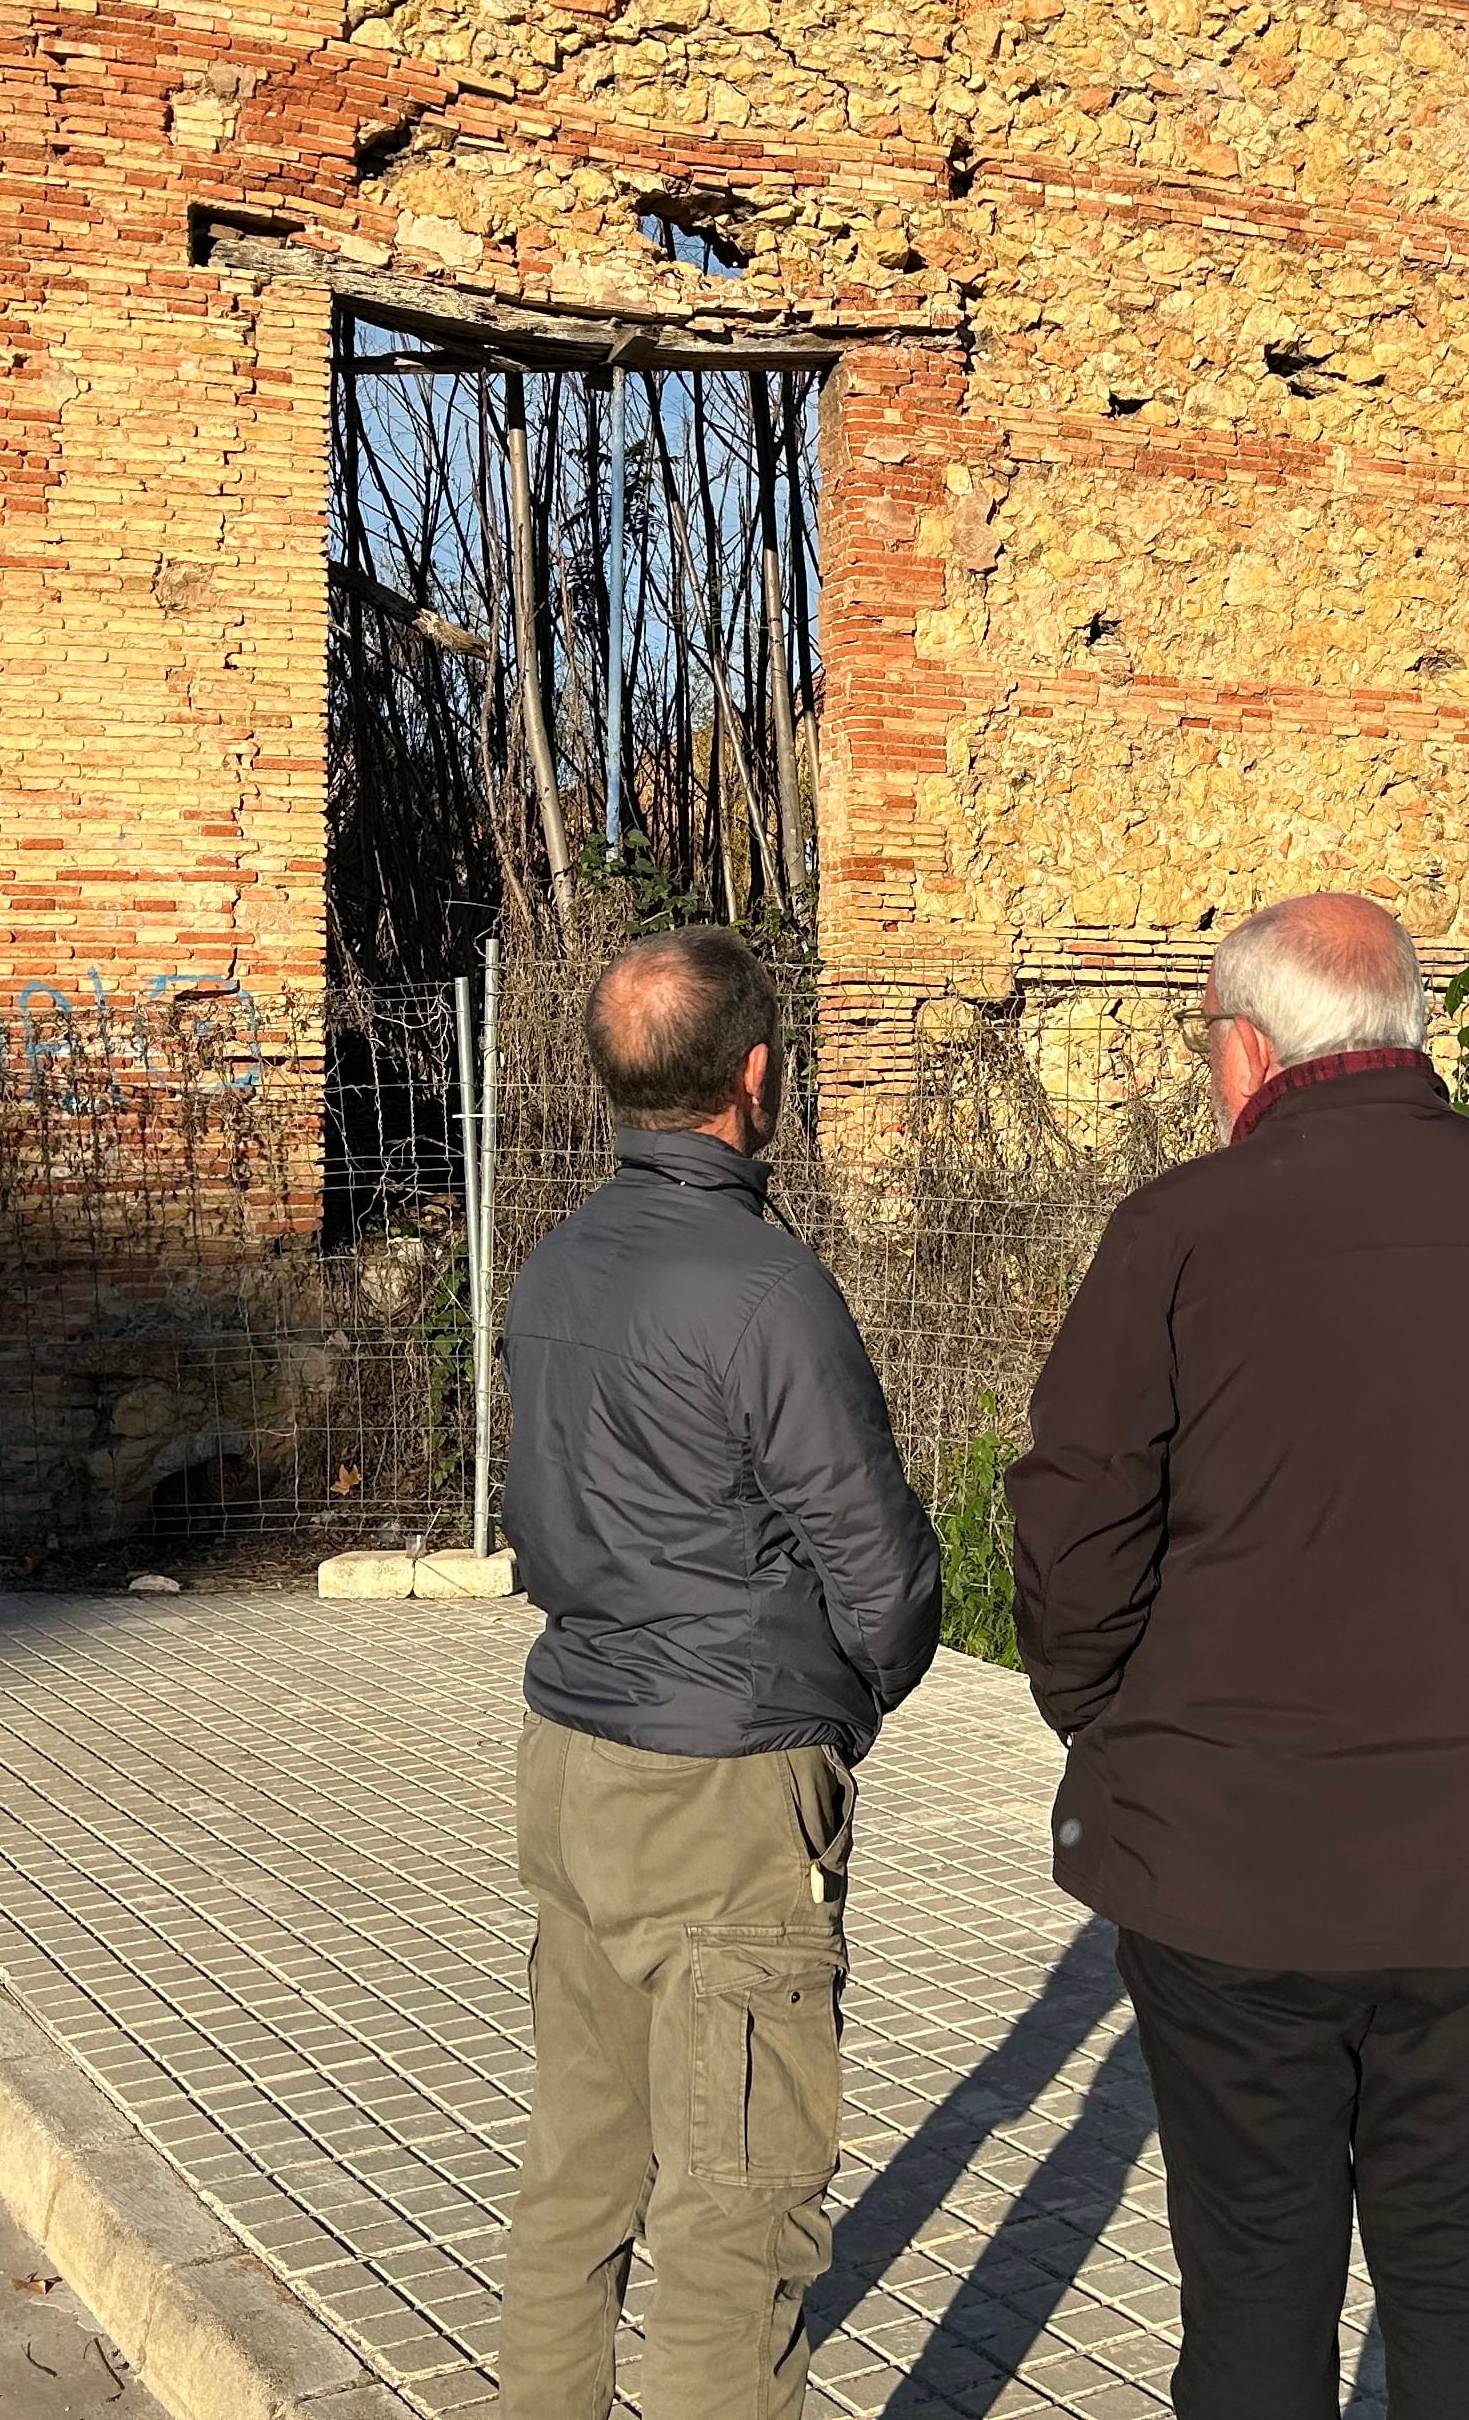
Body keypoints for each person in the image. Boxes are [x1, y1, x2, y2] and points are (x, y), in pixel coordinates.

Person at [1006, 892, 1469, 2420]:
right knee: (1460, 2266)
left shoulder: (1179, 1229)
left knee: (1254, 2275)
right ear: (1408, 1033)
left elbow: (1072, 1530)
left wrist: (1106, 1720)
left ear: (1244, 1050)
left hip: (1232, 1865)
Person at [499, 926, 944, 2420]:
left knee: (578, 2177)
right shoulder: (767, 1291)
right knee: (737, 2219)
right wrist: (845, 1711)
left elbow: (534, 1510)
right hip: (723, 1784)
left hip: (572, 1759)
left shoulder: (555, 1265)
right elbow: (879, 1569)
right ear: (760, 1075)